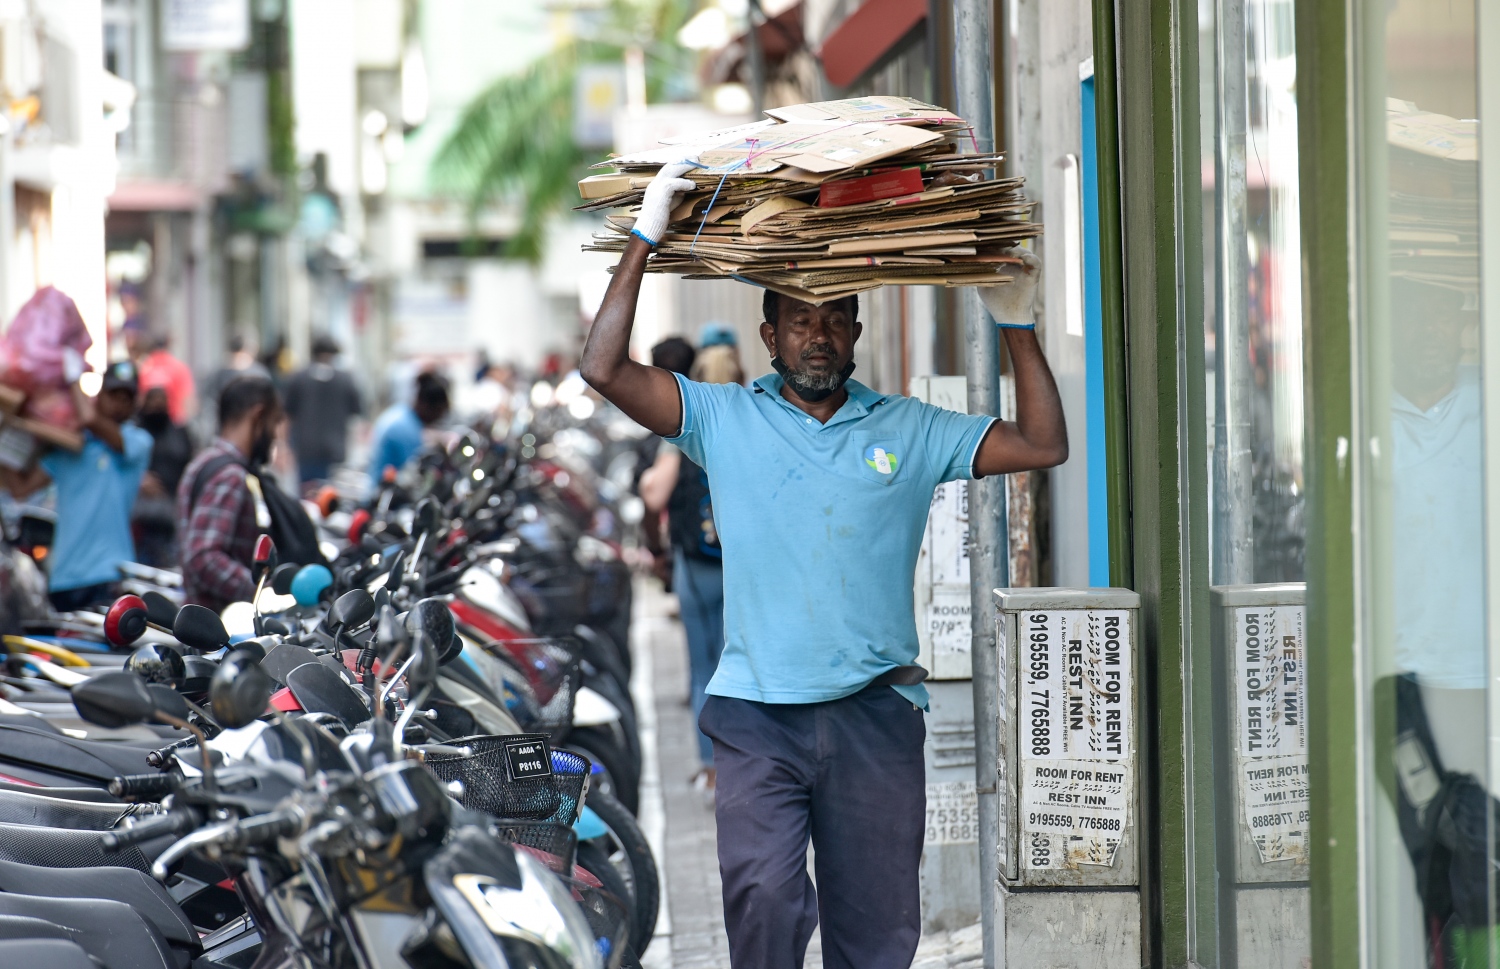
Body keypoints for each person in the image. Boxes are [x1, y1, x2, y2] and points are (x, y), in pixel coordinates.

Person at [579, 162, 1067, 969]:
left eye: (836, 317)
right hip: (756, 716)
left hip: (874, 717)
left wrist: (1017, 322)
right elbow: (602, 368)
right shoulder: (721, 415)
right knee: (765, 900)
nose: (819, 335)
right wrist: (645, 235)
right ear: (769, 338)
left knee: (875, 939)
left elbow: (1044, 443)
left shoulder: (910, 429)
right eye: (800, 320)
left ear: (856, 332)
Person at [640, 335, 742, 796]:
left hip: (694, 562)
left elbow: (654, 494)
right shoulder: (753, 418)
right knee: (740, 659)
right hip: (742, 562)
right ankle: (745, 756)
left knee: (703, 666)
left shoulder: (687, 424)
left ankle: (712, 765)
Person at [1, 361, 154, 611]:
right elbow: (20, 489)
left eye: (127, 398)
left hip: (110, 575)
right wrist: (7, 444)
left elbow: (89, 418)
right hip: (64, 578)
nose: (119, 404)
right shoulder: (69, 449)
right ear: (99, 396)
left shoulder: (137, 443)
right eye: (113, 395)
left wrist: (72, 376)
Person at [175, 376, 282, 612]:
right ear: (258, 415)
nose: (275, 435)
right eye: (274, 422)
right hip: (222, 627)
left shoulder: (202, 463)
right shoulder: (230, 475)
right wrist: (262, 591)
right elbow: (203, 557)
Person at [283, 334, 363, 490]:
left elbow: (287, 415)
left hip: (305, 449)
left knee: (307, 496)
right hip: (335, 450)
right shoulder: (346, 379)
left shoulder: (298, 378)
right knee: (332, 500)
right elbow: (357, 415)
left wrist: (283, 445)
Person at [132, 384, 196, 568]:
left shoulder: (179, 434)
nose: (157, 405)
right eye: (153, 401)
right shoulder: (136, 433)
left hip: (170, 512)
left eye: (162, 401)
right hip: (139, 513)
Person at [369, 371, 449, 483]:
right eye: (439, 411)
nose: (439, 417)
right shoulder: (404, 429)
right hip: (383, 495)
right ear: (426, 406)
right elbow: (414, 471)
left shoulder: (402, 415)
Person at [135, 332, 197, 425]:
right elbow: (188, 400)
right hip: (174, 424)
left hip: (147, 424)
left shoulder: (144, 367)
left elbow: (138, 399)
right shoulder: (179, 367)